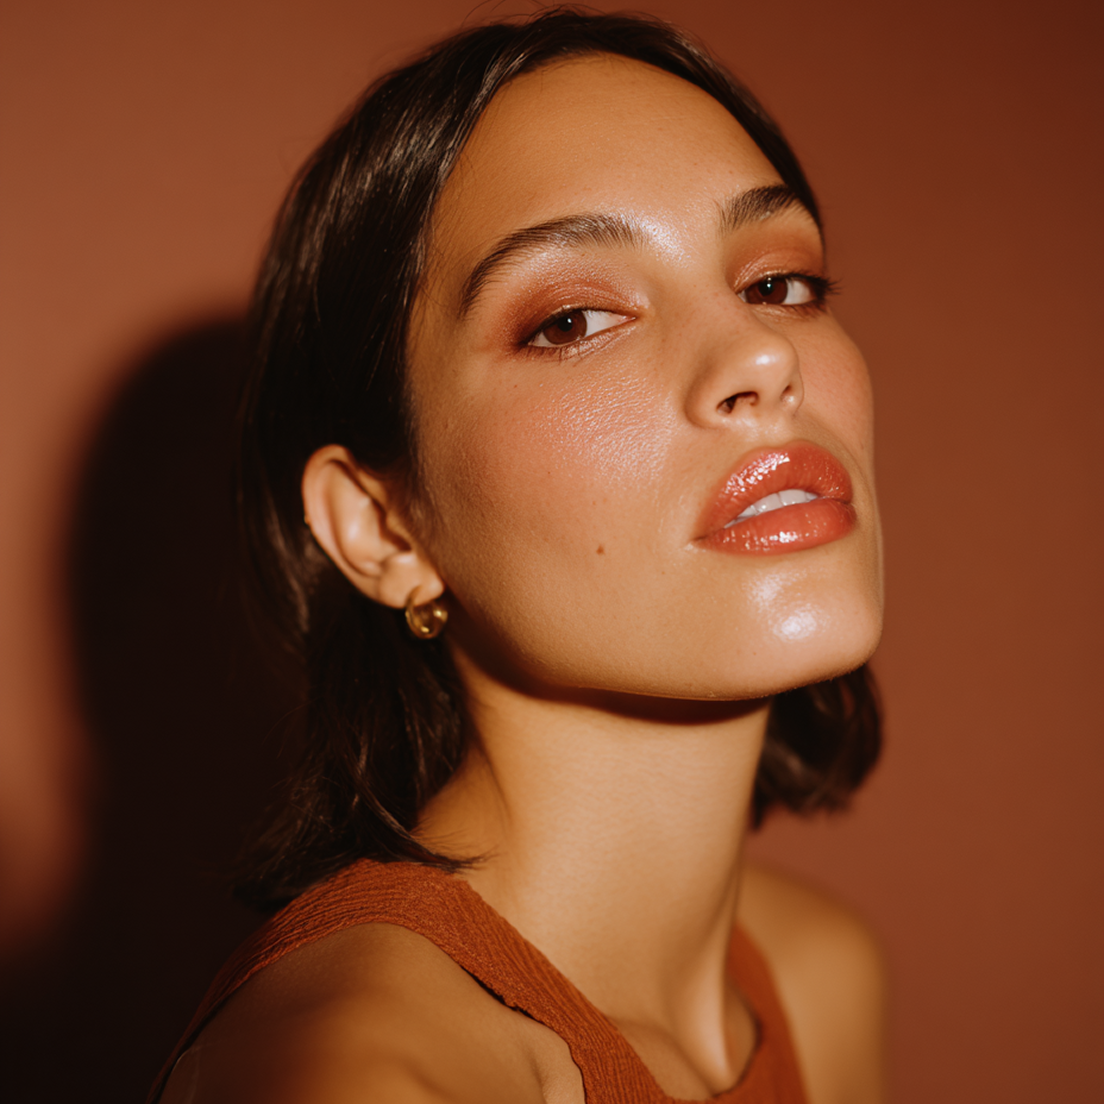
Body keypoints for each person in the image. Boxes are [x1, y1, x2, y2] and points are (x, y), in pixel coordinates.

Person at [154, 10, 886, 1103]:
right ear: (382, 528)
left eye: (779, 282)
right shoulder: (361, 1072)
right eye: (575, 319)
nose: (763, 353)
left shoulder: (821, 975)